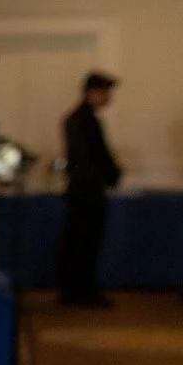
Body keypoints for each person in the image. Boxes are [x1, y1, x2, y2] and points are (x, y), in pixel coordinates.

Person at [58, 70, 122, 307]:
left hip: (81, 190)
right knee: (85, 241)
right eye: (106, 92)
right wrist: (110, 174)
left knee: (78, 241)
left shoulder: (76, 119)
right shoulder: (84, 121)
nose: (109, 98)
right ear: (93, 92)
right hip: (88, 192)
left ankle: (75, 291)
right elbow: (94, 157)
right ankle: (82, 292)